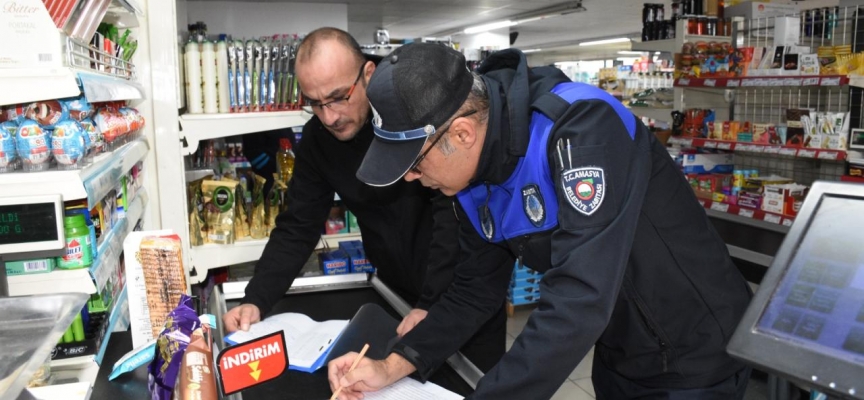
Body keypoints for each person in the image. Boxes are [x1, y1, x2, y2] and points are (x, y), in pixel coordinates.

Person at [327, 43, 753, 399]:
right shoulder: (473, 176)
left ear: (461, 133)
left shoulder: (582, 129)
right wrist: (392, 365)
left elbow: (579, 298)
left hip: (693, 354)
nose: (412, 179)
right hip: (619, 352)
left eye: (415, 164)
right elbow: (474, 290)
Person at [221, 28, 506, 372]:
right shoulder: (318, 139)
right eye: (315, 103)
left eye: (338, 97)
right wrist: (256, 298)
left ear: (368, 74)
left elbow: (451, 211)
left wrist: (432, 303)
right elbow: (298, 223)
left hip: (463, 293)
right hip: (393, 293)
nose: (329, 116)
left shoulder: (413, 110)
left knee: (472, 382)